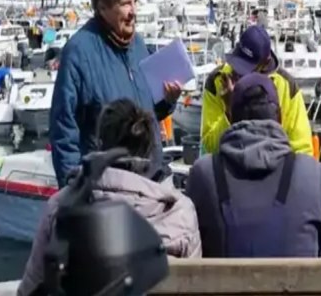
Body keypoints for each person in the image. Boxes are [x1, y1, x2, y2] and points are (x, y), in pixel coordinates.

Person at [18, 99, 201, 296]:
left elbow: (31, 287)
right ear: (149, 148)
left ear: (99, 144)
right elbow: (196, 285)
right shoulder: (180, 210)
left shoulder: (61, 206)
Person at [49, 0, 181, 187]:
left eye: (135, 1)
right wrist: (73, 192)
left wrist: (167, 101)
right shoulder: (79, 53)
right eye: (125, 4)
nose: (133, 12)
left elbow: (145, 116)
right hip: (108, 187)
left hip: (152, 179)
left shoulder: (138, 45)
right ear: (102, 8)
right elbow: (63, 130)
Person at [187, 73, 321, 257]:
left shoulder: (203, 174)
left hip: (226, 285)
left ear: (230, 117)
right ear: (279, 117)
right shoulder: (312, 173)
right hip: (295, 285)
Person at [201, 24, 313, 155]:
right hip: (230, 167)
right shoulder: (217, 81)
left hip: (275, 165)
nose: (238, 73)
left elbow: (302, 148)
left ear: (265, 63)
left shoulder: (286, 86)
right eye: (237, 64)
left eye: (246, 69)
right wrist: (229, 110)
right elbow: (210, 146)